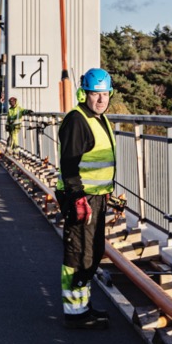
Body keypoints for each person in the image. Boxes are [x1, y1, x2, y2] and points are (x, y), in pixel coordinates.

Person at [56, 68, 117, 329]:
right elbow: (69, 165)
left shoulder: (100, 119)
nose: (101, 100)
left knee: (93, 253)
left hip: (97, 197)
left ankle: (83, 306)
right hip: (82, 198)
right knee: (79, 254)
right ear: (84, 94)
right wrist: (78, 197)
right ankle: (75, 313)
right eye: (95, 95)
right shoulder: (77, 120)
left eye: (105, 94)